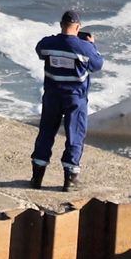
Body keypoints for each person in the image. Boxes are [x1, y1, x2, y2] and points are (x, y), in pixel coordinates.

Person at [30, 10, 104, 191]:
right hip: (75, 98)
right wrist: (91, 45)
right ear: (78, 27)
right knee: (75, 135)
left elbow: (40, 51)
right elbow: (97, 65)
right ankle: (70, 180)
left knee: (46, 133)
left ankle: (37, 178)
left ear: (61, 24)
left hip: (52, 96)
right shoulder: (84, 48)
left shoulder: (47, 43)